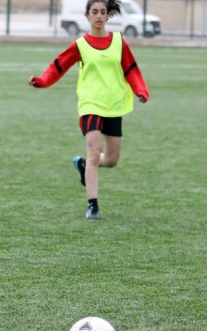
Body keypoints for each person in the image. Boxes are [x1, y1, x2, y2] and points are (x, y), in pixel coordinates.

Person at [28, 0, 149, 220]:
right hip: (90, 104)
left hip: (114, 104)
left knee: (111, 160)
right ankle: (92, 204)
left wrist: (140, 89)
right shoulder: (80, 44)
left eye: (103, 12)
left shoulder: (119, 41)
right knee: (94, 152)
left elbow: (131, 69)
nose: (99, 16)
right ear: (87, 16)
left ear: (107, 16)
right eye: (95, 12)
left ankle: (83, 166)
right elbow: (59, 66)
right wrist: (42, 81)